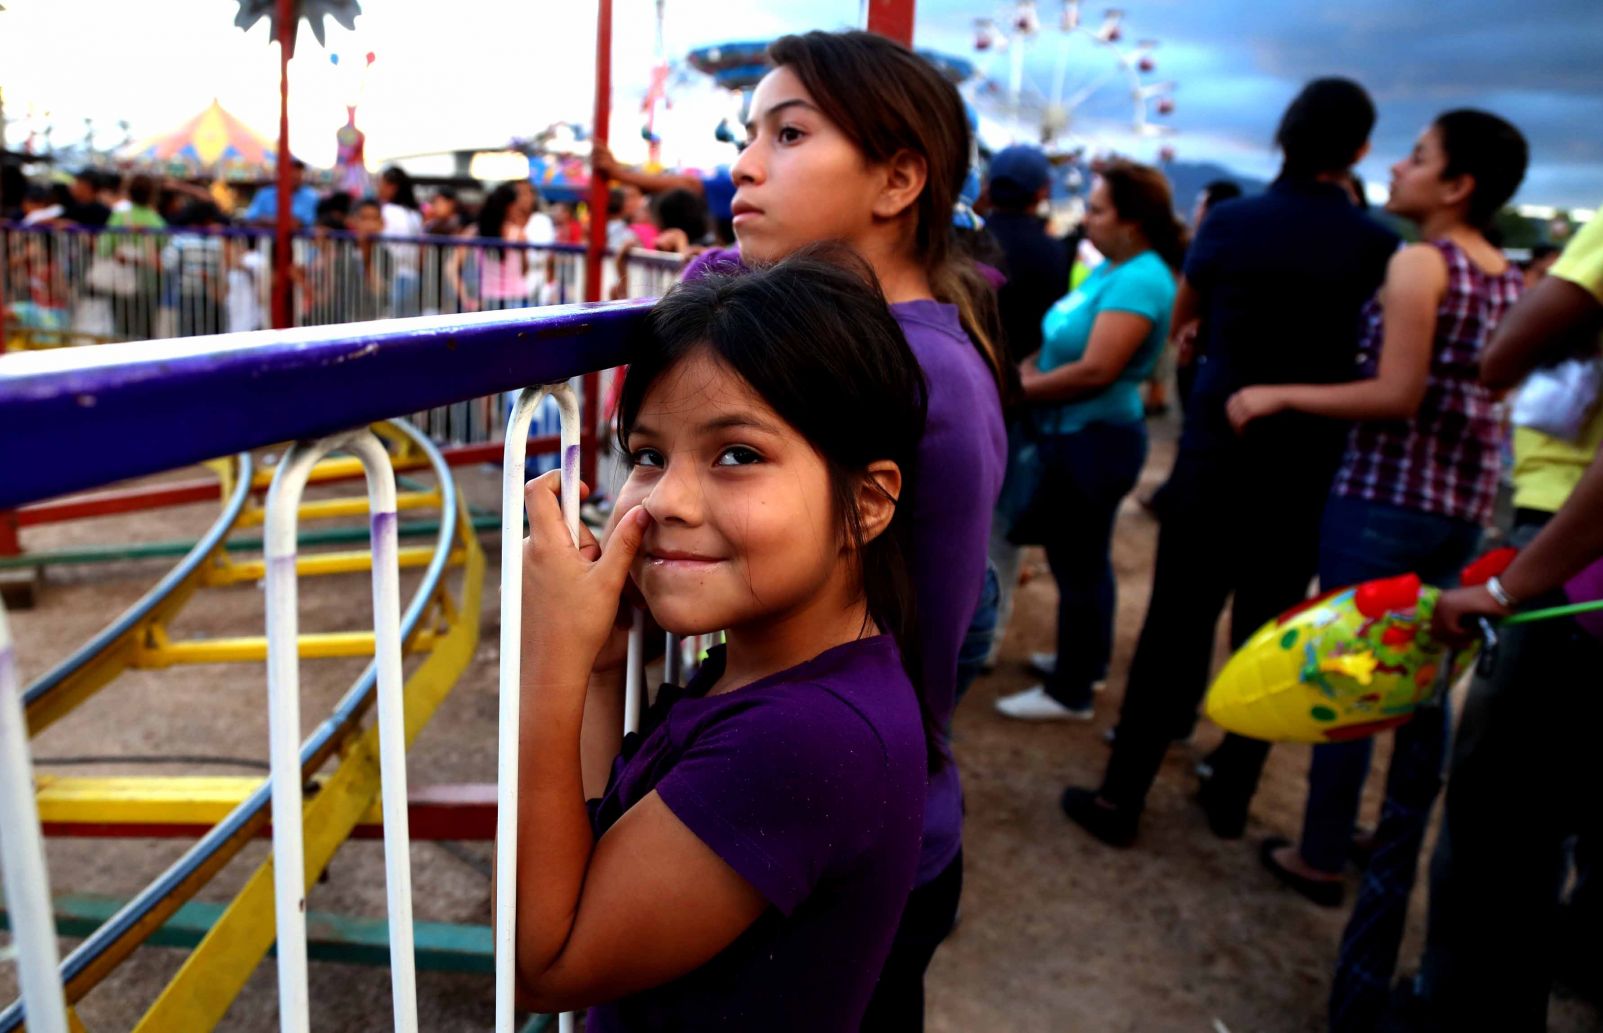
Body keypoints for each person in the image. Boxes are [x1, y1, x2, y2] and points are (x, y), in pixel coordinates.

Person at [512, 249, 929, 1030]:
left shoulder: (807, 737)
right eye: (646, 455)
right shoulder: (774, 670)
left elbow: (542, 963)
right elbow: (596, 851)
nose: (667, 498)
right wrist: (600, 666)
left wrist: (549, 662)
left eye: (737, 454)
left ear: (867, 503)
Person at [682, 31, 1008, 1027]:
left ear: (898, 178)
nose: (743, 164)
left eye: (787, 133)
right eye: (747, 134)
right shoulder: (900, 345)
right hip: (858, 815)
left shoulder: (909, 378)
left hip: (841, 835)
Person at [1061, 78, 1400, 848]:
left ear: (1283, 139)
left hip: (1219, 452)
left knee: (1175, 624)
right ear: (1358, 149)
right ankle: (1231, 790)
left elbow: (1185, 318)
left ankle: (1122, 796)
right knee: (1272, 628)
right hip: (1308, 463)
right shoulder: (1378, 243)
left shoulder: (1235, 221)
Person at [1223, 110, 1526, 915]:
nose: (1397, 167)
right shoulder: (1501, 270)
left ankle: (1318, 849)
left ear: (1457, 185)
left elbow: (1397, 392)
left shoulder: (1418, 264)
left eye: (1419, 157)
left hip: (1385, 494)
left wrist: (1278, 391)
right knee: (1425, 681)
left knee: (1347, 672)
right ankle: (1386, 844)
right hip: (1459, 505)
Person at [1394, 205, 1603, 1033]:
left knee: (1502, 830)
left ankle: (1459, 1012)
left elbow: (1500, 358)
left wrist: (1513, 586)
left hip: (1570, 558)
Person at [993, 160, 1181, 722]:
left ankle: (1072, 690)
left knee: (1080, 563)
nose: (1087, 220)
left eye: (1098, 210)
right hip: (1075, 434)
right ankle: (1080, 661)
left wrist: (1020, 391)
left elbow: (1098, 369)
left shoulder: (1140, 278)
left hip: (1095, 439)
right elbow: (1064, 342)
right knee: (1077, 557)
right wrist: (1027, 369)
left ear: (1133, 222)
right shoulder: (1113, 269)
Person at [978, 144, 1071, 669]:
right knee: (1000, 528)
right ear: (1042, 193)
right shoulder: (1053, 252)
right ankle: (987, 635)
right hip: (1018, 401)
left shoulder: (967, 240)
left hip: (953, 390)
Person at [446, 181, 533, 312]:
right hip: (517, 299)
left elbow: (451, 267)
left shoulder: (475, 231)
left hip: (488, 301)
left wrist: (465, 299)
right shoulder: (518, 235)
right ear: (510, 207)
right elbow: (524, 269)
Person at [377, 166, 424, 316]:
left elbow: (386, 245)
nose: (379, 188)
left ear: (392, 187)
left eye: (381, 183)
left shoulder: (389, 211)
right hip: (414, 275)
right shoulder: (414, 213)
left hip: (396, 275)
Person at [241, 159, 320, 228]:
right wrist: (279, 222)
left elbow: (304, 221)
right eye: (291, 169)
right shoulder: (265, 194)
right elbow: (251, 217)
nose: (295, 174)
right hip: (267, 242)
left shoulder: (310, 196)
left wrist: (270, 221)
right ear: (280, 171)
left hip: (299, 243)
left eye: (298, 170)